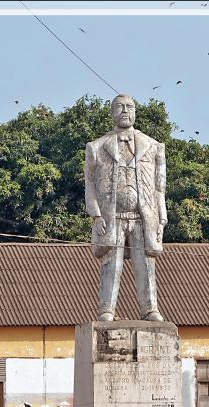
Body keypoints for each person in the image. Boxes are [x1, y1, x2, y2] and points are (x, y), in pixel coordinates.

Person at [84, 93, 168, 322]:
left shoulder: (153, 146)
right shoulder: (96, 147)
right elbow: (89, 184)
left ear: (135, 112)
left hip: (143, 216)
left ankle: (150, 308)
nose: (124, 111)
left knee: (146, 264)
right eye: (119, 106)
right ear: (112, 112)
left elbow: (160, 186)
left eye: (129, 106)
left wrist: (161, 218)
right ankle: (106, 309)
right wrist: (96, 215)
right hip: (112, 216)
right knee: (111, 263)